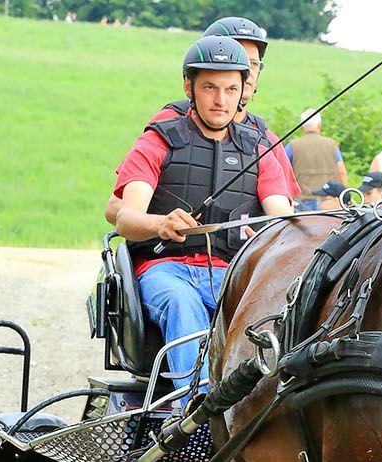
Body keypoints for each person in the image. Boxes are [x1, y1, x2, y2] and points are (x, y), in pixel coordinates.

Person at [110, 36, 292, 392]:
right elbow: (125, 218)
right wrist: (160, 223)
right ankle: (193, 413)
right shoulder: (158, 140)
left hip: (230, 274)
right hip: (164, 271)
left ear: (243, 91)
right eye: (209, 87)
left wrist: (275, 235)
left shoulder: (259, 148)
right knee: (183, 303)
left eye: (230, 89)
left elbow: (283, 219)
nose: (220, 100)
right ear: (189, 86)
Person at [105, 15, 296, 227]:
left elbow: (287, 218)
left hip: (241, 255)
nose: (248, 72)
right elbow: (116, 208)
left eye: (252, 63)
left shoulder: (266, 141)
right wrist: (162, 223)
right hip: (171, 248)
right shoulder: (168, 126)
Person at [286, 109, 346, 211]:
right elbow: (342, 172)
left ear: (302, 127)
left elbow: (284, 173)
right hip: (328, 200)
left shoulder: (292, 146)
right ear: (319, 125)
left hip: (302, 201)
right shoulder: (332, 144)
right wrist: (343, 196)